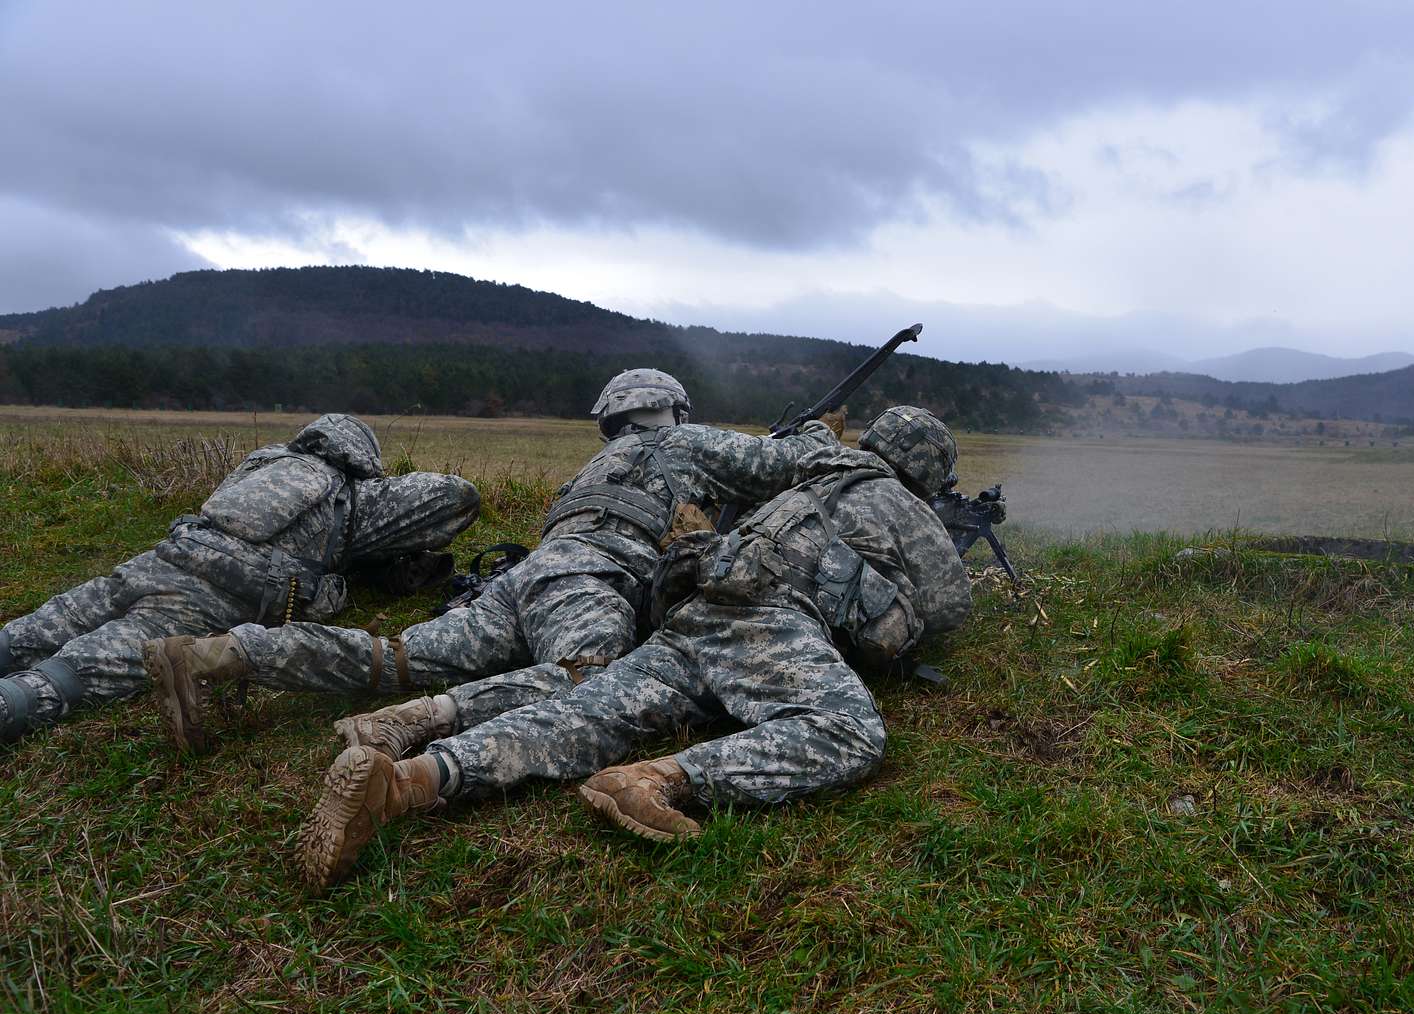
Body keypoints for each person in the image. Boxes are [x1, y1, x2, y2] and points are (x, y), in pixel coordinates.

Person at [296, 406, 972, 891]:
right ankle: (658, 779)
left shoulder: (803, 477)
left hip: (696, 604)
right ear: (926, 473)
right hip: (773, 623)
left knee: (588, 711)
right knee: (851, 730)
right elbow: (949, 607)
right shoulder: (897, 500)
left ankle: (409, 781)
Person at [145, 369, 841, 755]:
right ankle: (419, 720)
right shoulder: (688, 445)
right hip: (589, 582)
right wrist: (814, 429)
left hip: (524, 581)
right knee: (585, 679)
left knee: (393, 652)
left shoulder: (591, 467)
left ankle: (224, 652)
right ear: (675, 411)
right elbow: (784, 463)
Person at [0, 414, 480, 742]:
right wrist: (374, 505)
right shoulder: (355, 494)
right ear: (362, 456)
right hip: (212, 594)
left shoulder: (262, 461)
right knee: (75, 671)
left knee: (41, 626)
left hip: (161, 558)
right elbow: (457, 496)